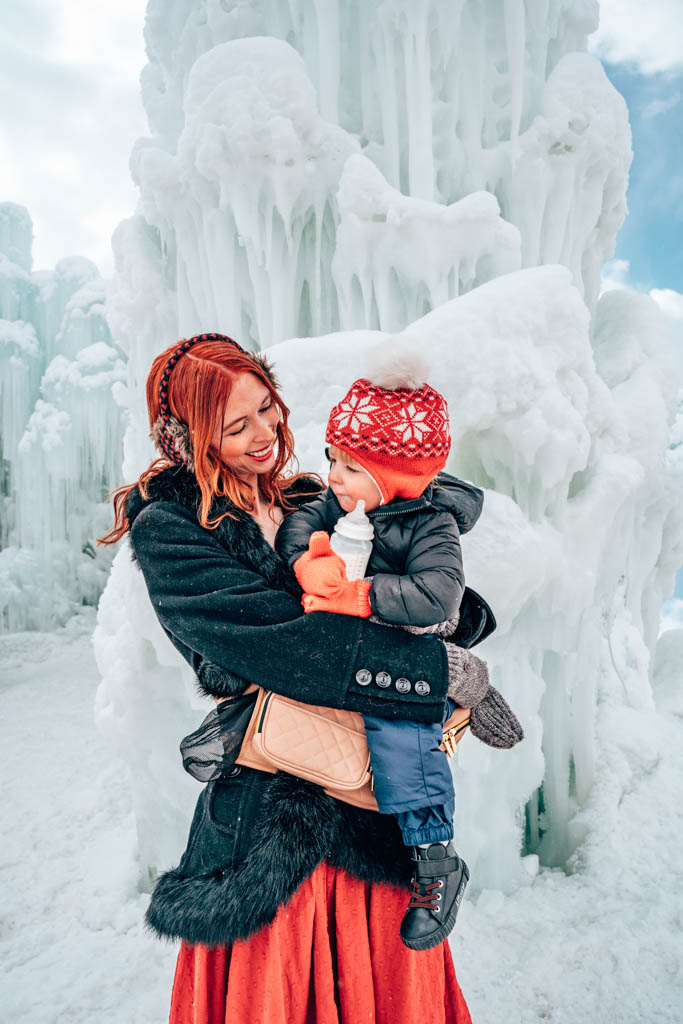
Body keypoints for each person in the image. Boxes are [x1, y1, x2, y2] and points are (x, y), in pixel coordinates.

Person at [98, 332, 513, 1024]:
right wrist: (433, 670)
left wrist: (440, 618)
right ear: (188, 436)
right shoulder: (172, 529)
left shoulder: (313, 497)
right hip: (270, 819)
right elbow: (281, 645)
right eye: (236, 425)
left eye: (267, 407)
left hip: (370, 807)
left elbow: (439, 595)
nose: (266, 433)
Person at [274, 342, 523, 951]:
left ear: (398, 477)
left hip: (402, 646)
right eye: (333, 458)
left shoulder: (431, 526)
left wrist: (365, 595)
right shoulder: (334, 503)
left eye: (352, 467)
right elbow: (299, 528)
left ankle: (436, 856)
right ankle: (235, 731)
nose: (334, 475)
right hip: (337, 642)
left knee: (401, 733)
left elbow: (440, 596)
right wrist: (310, 564)